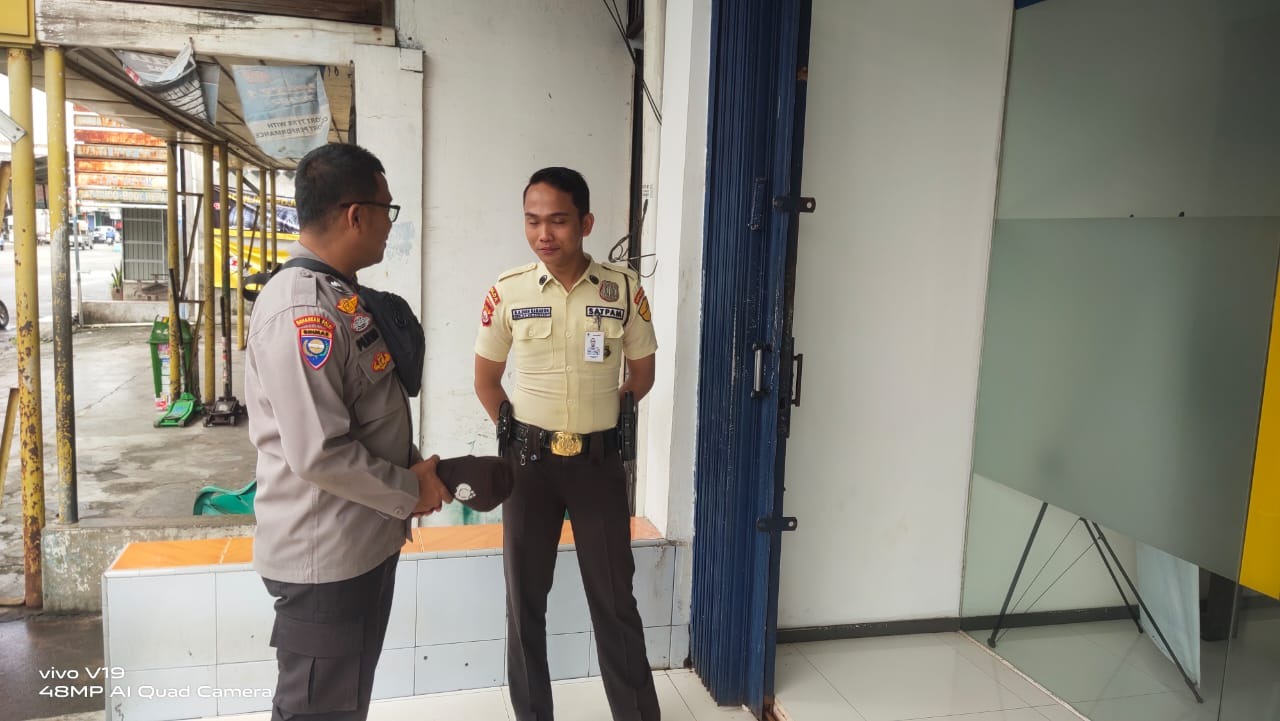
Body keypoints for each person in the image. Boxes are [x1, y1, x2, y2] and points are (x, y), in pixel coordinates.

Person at [245, 142, 451, 721]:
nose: (390, 223)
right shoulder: (301, 312)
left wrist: (413, 469)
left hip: (358, 542)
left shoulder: (339, 296)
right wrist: (410, 490)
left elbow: (365, 412)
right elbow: (319, 453)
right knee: (318, 710)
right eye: (388, 209)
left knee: (344, 702)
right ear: (357, 215)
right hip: (325, 559)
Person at [474, 167, 659, 721]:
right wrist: (515, 436)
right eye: (532, 221)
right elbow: (487, 380)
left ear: (586, 222)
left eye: (557, 221)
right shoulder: (508, 291)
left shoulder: (621, 289)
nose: (543, 234)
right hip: (529, 467)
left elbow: (642, 374)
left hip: (598, 464)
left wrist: (607, 419)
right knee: (525, 602)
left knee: (615, 599)